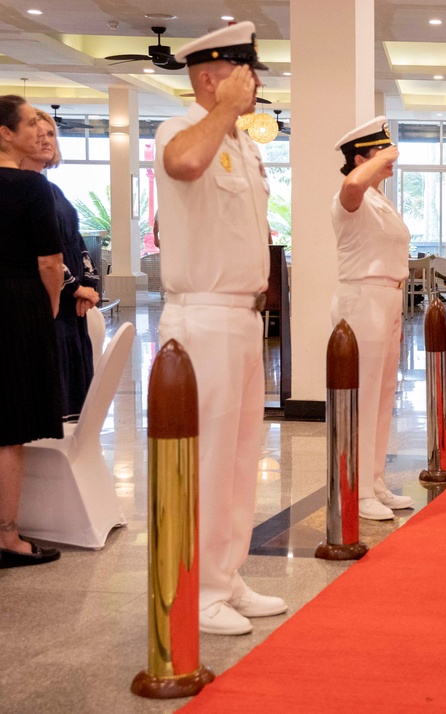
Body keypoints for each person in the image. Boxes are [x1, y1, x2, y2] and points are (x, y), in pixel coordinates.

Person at [155, 21, 287, 635]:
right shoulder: (181, 129)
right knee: (205, 457)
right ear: (210, 77)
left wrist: (233, 117)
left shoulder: (245, 145)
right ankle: (197, 588)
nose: (255, 83)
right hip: (200, 316)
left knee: (238, 456)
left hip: (242, 318)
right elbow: (184, 164)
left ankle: (226, 576)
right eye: (244, 73)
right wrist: (223, 109)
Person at [330, 116, 415, 521]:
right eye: (382, 152)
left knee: (382, 397)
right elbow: (351, 184)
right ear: (361, 157)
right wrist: (376, 160)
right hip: (362, 298)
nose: (391, 159)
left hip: (388, 298)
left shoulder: (380, 198)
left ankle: (374, 481)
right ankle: (357, 488)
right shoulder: (352, 195)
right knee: (362, 397)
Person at [0, 95, 63, 568]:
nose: (39, 133)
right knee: (10, 428)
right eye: (29, 124)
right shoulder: (29, 187)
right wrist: (52, 302)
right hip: (16, 302)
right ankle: (9, 537)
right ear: (6, 132)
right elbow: (49, 260)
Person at [22, 109, 100, 421]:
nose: (46, 141)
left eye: (51, 134)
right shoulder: (23, 188)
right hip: (46, 299)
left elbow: (76, 242)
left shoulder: (52, 189)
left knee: (72, 395)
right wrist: (74, 287)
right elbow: (40, 253)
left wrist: (88, 287)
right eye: (37, 134)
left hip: (71, 308)